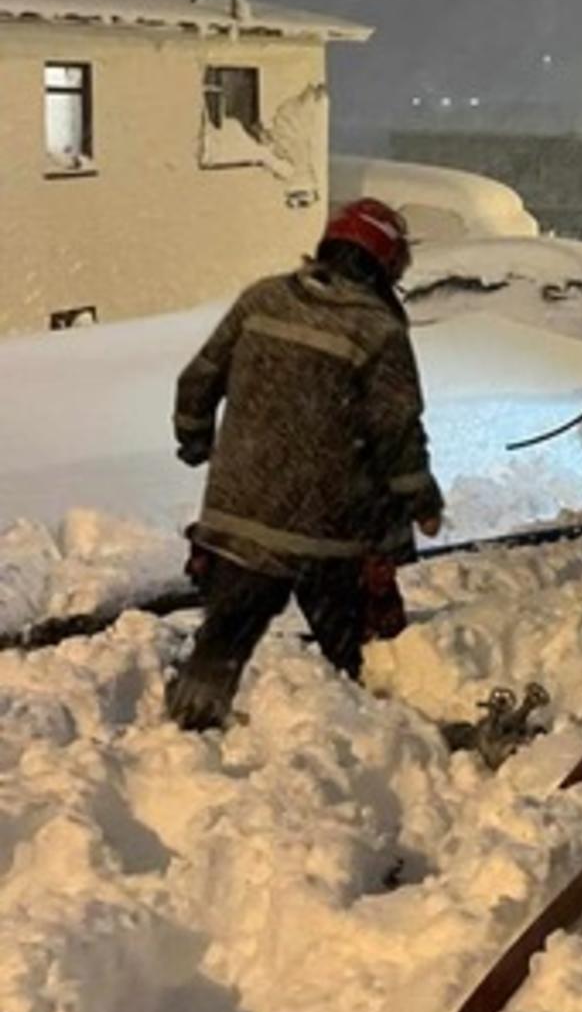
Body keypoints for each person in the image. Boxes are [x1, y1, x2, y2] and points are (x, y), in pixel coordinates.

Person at [163, 198, 443, 732]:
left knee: (224, 639)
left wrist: (195, 438)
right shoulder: (378, 331)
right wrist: (421, 500)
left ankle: (187, 730)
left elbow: (198, 378)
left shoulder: (263, 299)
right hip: (327, 535)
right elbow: (396, 432)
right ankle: (360, 744)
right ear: (385, 265)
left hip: (240, 516)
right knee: (350, 655)